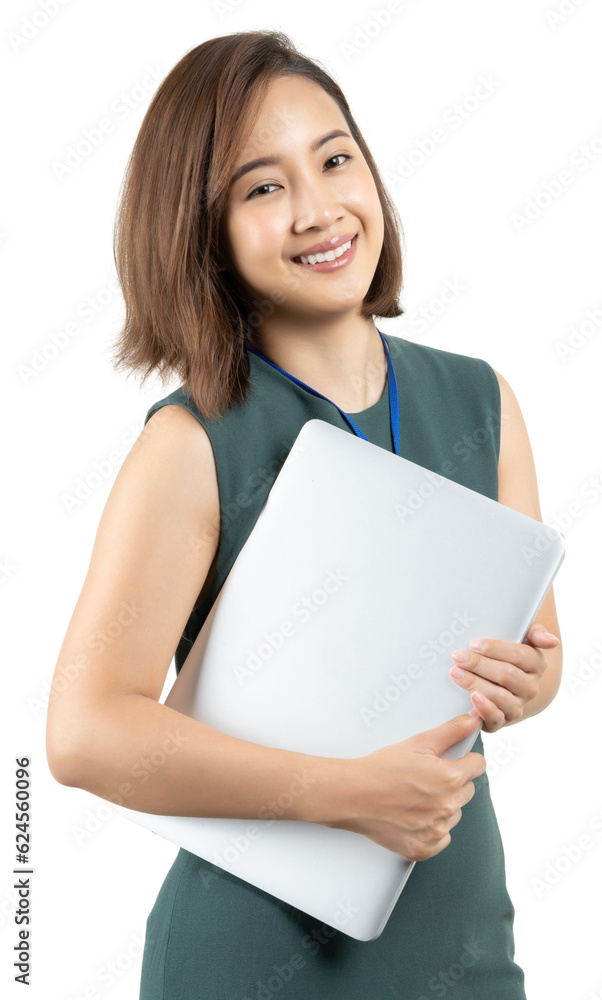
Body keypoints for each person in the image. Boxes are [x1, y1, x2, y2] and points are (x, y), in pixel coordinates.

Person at [46, 29, 562, 1000]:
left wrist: (525, 680)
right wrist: (345, 796)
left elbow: (539, 658)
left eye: (333, 159)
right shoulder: (192, 442)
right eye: (261, 187)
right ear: (201, 230)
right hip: (252, 960)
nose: (317, 209)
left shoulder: (482, 401)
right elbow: (84, 732)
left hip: (459, 944)